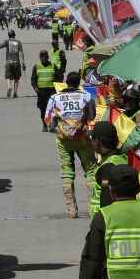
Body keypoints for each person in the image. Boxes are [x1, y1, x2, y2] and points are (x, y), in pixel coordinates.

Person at [45, 71, 97, 218]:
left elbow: (48, 119)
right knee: (91, 171)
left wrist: (57, 130)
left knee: (67, 172)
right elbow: (92, 116)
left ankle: (71, 211)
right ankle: (94, 209)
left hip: (63, 139)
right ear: (78, 83)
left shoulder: (55, 98)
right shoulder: (86, 96)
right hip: (83, 138)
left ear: (66, 82)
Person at [88, 121, 128, 217]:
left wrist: (101, 223)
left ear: (97, 142)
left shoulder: (107, 168)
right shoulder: (119, 158)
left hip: (105, 221)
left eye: (92, 139)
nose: (91, 142)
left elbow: (106, 198)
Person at [0, 30, 25, 98]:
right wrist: (23, 63)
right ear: (14, 35)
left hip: (8, 62)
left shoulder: (7, 41)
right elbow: (21, 53)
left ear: (8, 35)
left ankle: (9, 87)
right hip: (17, 62)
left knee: (7, 77)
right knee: (16, 78)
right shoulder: (18, 42)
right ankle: (15, 93)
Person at [31, 50, 56, 132]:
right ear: (40, 57)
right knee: (43, 110)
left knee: (52, 109)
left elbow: (58, 76)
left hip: (52, 90)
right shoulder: (36, 66)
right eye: (42, 56)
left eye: (45, 56)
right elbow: (33, 79)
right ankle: (45, 125)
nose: (44, 58)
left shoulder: (53, 65)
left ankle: (52, 124)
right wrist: (36, 89)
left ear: (48, 57)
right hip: (41, 92)